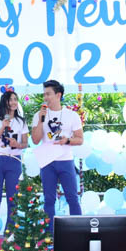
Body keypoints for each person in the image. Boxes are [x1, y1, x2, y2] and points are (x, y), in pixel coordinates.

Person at [30, 79, 83, 233]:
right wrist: (41, 120)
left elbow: (80, 139)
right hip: (47, 162)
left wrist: (67, 140)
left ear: (58, 95)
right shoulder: (38, 115)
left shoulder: (71, 115)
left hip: (65, 160)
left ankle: (78, 232)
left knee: (72, 197)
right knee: (49, 199)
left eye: (48, 94)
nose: (45, 97)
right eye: (44, 94)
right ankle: (50, 235)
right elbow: (35, 140)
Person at [0, 89, 28, 247]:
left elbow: (25, 143)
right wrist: (2, 126)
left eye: (16, 99)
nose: (14, 102)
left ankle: (9, 233)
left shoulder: (21, 122)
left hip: (14, 161)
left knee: (13, 198)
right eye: (11, 99)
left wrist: (18, 144)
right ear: (5, 102)